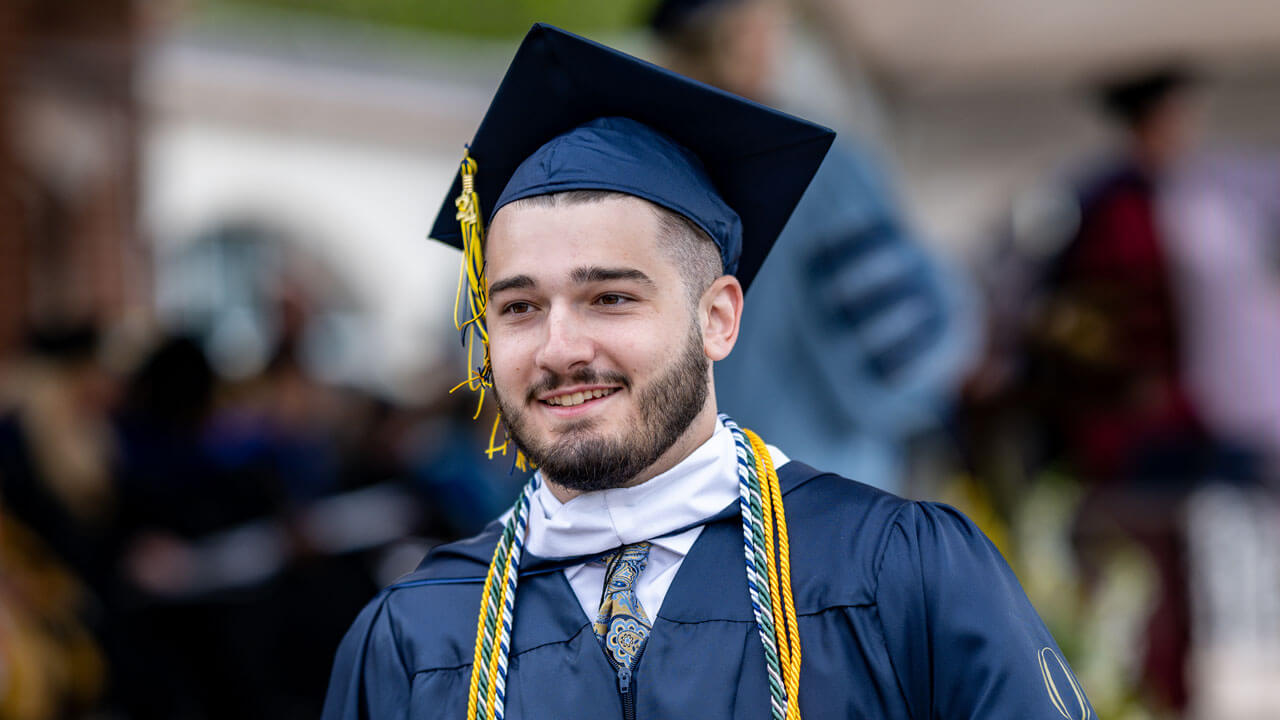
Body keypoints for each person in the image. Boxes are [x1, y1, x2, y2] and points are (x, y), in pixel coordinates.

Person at [323, 24, 1092, 719]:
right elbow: (921, 349)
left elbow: (928, 347)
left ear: (720, 315)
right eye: (519, 308)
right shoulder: (416, 639)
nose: (559, 348)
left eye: (611, 297)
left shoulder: (897, 576)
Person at [653, 0, 978, 491]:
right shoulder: (816, 162)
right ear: (752, 34)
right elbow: (897, 356)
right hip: (808, 491)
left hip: (672, 488)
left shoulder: (639, 163)